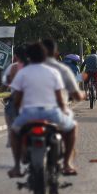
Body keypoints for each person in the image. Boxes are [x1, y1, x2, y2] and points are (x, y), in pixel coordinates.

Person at [9, 42, 77, 178]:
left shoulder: (23, 73)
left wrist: (18, 110)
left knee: (14, 132)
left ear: (29, 57)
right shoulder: (53, 72)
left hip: (28, 114)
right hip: (51, 113)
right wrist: (64, 110)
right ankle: (67, 164)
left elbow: (16, 99)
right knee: (72, 128)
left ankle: (16, 166)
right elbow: (60, 98)